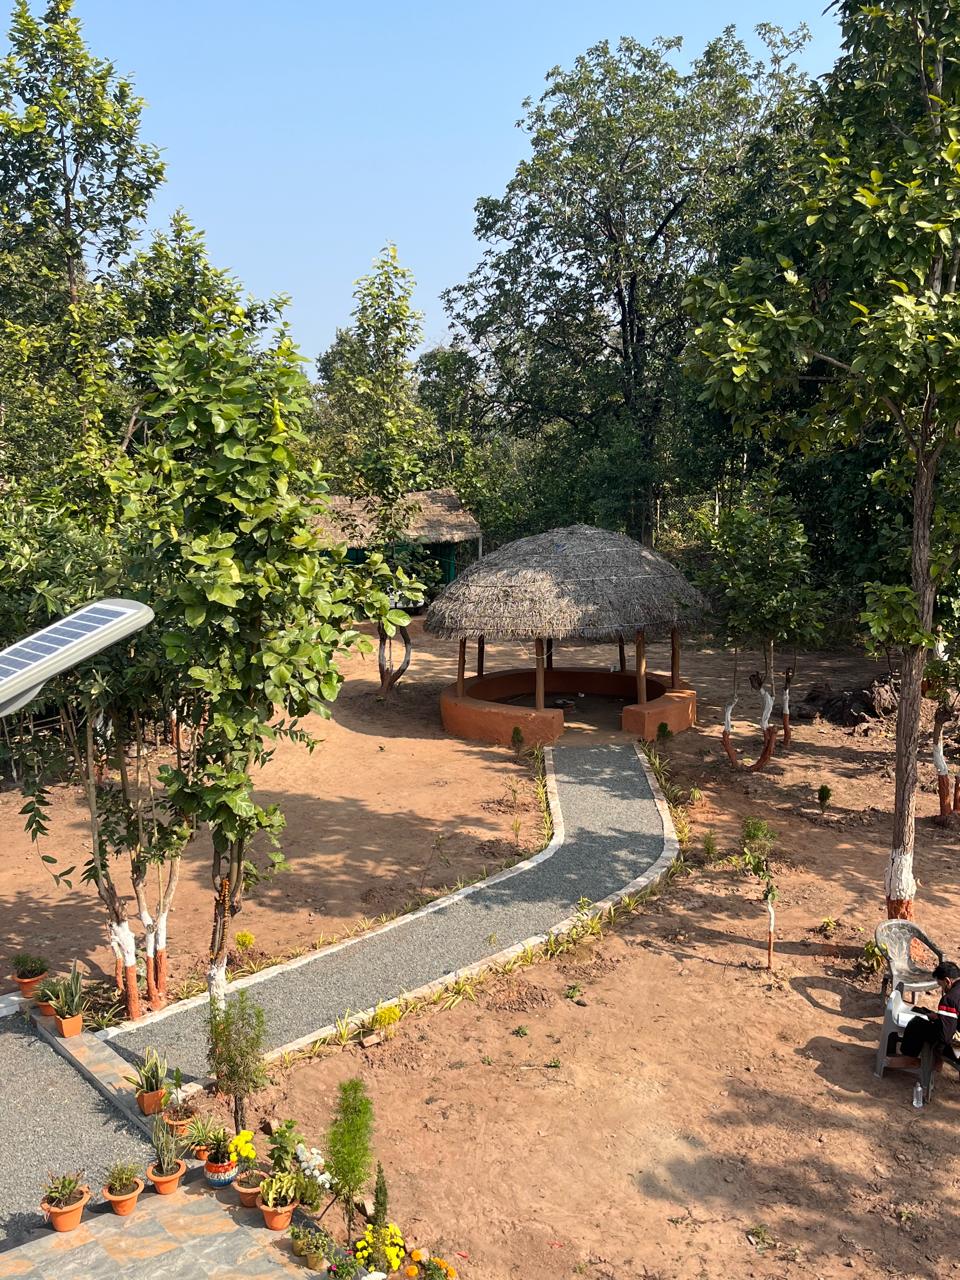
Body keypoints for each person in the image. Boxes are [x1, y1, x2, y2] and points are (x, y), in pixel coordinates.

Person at [900, 960, 960, 1062]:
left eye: (941, 985)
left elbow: (945, 1037)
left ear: (947, 981)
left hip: (958, 1048)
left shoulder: (949, 999)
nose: (943, 989)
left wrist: (937, 1022)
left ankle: (908, 1059)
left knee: (917, 1024)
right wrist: (940, 1018)